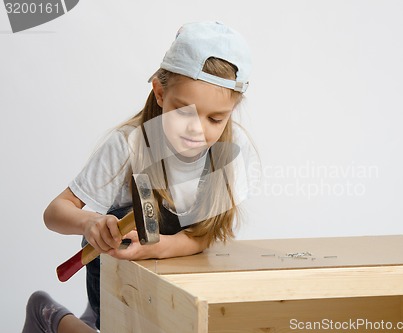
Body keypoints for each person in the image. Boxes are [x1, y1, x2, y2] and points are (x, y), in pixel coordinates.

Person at [22, 21, 258, 333]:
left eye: (215, 118)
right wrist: (89, 222)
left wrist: (157, 247)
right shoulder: (127, 144)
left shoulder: (231, 151)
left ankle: (91, 320)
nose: (197, 130)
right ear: (160, 93)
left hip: (171, 270)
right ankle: (48, 315)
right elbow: (54, 213)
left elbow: (203, 235)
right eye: (183, 111)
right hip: (117, 271)